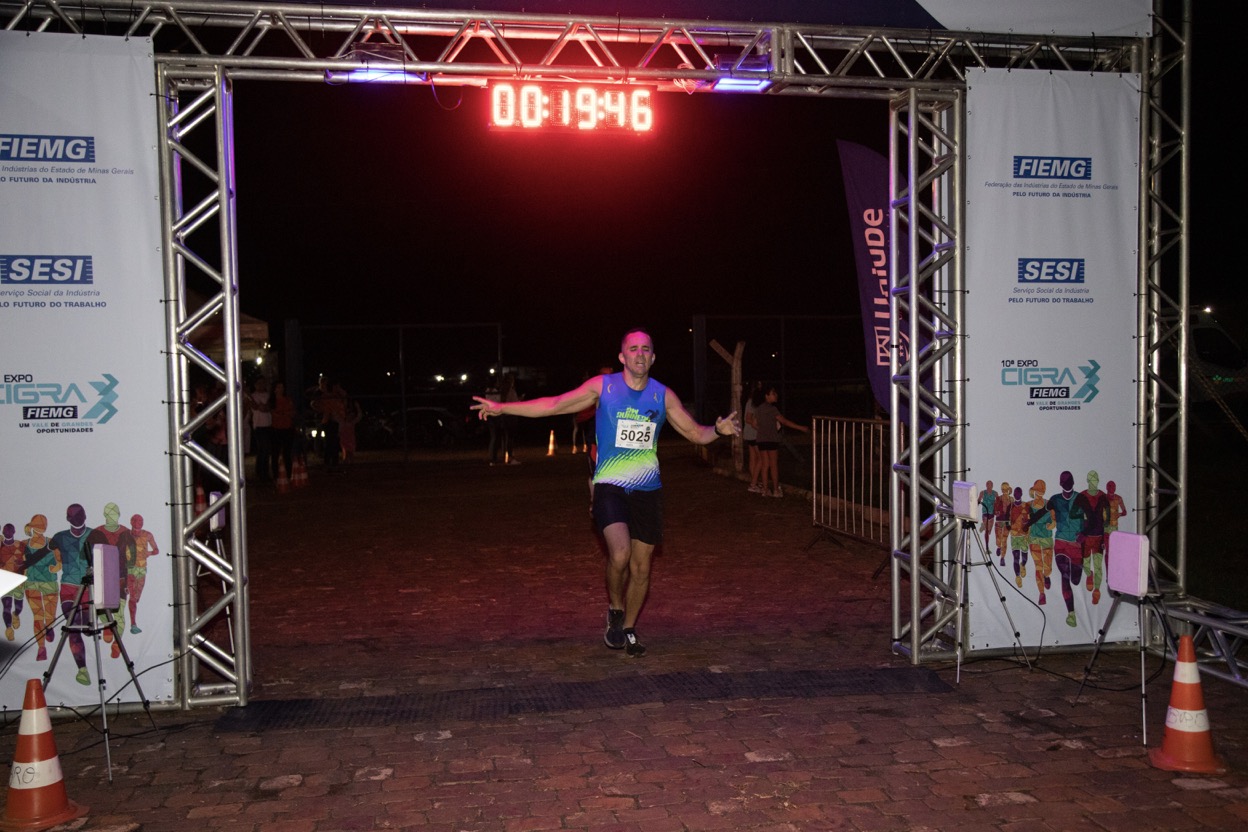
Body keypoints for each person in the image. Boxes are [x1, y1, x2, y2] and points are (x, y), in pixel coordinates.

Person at [472, 328, 740, 658]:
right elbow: (554, 405)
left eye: (646, 349)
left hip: (647, 489)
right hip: (610, 485)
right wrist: (504, 408)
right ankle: (615, 607)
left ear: (653, 357)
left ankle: (628, 628)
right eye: (633, 349)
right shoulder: (603, 387)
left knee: (642, 568)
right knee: (621, 553)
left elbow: (696, 434)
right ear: (622, 356)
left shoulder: (662, 395)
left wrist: (718, 430)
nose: (640, 354)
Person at [748, 384, 808, 498]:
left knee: (765, 465)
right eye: (773, 393)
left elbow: (754, 424)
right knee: (773, 465)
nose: (776, 395)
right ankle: (776, 490)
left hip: (761, 440)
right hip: (771, 439)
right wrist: (800, 428)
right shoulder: (773, 409)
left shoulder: (759, 409)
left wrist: (763, 429)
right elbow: (784, 421)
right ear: (767, 396)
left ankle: (765, 490)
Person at [247, 376, 274, 483]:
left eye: (263, 383)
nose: (261, 385)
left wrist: (264, 407)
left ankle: (264, 472)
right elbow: (256, 407)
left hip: (268, 425)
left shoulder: (268, 395)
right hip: (258, 426)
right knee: (262, 448)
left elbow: (268, 407)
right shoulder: (253, 396)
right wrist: (262, 407)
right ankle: (261, 472)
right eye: (259, 383)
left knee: (266, 449)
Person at [270, 380, 296, 482]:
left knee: (287, 453)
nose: (281, 389)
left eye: (282, 387)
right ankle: (276, 475)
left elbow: (292, 413)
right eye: (279, 387)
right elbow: (274, 413)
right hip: (276, 429)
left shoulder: (288, 400)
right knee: (275, 453)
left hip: (287, 428)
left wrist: (283, 414)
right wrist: (284, 414)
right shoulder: (272, 401)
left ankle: (288, 475)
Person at [743, 381, 764, 493]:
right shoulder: (752, 402)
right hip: (753, 433)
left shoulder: (751, 402)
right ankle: (754, 483)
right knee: (761, 458)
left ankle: (754, 481)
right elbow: (748, 419)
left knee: (753, 458)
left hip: (749, 433)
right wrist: (758, 427)